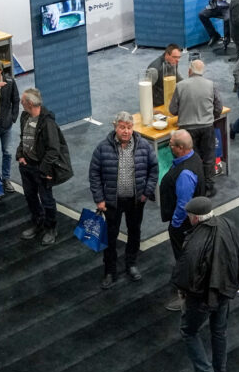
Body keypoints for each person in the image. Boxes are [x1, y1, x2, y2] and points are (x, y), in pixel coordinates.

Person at [173, 194, 239, 372]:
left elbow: (185, 275)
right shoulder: (227, 224)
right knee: (219, 331)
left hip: (202, 298)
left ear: (194, 218)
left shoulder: (194, 242)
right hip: (225, 290)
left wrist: (183, 294)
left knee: (189, 331)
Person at [90, 110, 158, 286]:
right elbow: (94, 174)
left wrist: (146, 192)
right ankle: (110, 271)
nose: (126, 131)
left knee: (134, 233)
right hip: (112, 202)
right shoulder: (103, 148)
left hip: (136, 201)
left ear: (132, 128)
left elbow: (154, 169)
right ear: (115, 127)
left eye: (129, 127)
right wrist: (99, 199)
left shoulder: (143, 146)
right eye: (122, 127)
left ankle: (131, 264)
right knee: (110, 236)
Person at [15, 87, 69, 246]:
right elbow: (23, 138)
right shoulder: (25, 116)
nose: (21, 103)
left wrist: (43, 170)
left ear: (30, 103)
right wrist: (20, 155)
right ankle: (37, 222)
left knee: (47, 200)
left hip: (41, 169)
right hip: (26, 167)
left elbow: (53, 150)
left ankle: (51, 228)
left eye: (23, 101)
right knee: (30, 197)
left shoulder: (47, 123)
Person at [159, 129, 204, 311]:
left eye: (171, 145)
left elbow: (183, 204)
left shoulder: (185, 173)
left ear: (180, 148)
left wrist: (175, 225)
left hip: (183, 226)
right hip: (192, 223)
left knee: (184, 260)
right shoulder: (193, 159)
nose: (169, 147)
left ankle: (186, 296)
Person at [169, 58, 223, 192]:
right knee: (209, 156)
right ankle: (209, 185)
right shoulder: (211, 85)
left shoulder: (180, 86)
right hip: (206, 127)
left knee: (192, 158)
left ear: (189, 71)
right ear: (202, 72)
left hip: (187, 129)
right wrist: (211, 117)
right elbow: (219, 107)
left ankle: (195, 185)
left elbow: (172, 110)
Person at [146, 43, 184, 108]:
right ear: (167, 55)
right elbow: (146, 91)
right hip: (158, 103)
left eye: (179, 57)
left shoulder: (173, 62)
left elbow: (177, 77)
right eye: (175, 57)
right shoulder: (154, 69)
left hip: (170, 98)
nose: (178, 60)